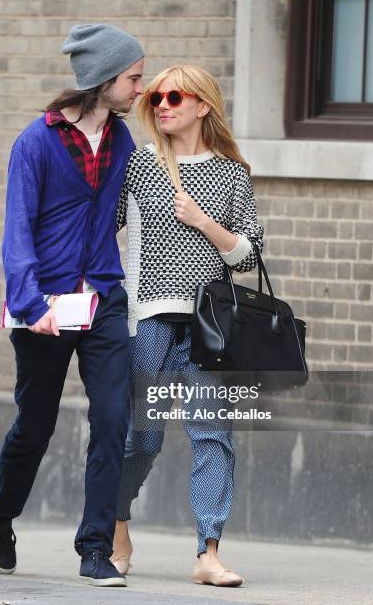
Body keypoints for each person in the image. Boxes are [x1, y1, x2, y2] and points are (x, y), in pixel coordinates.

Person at [0, 24, 144, 587]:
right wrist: (29, 302)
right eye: (133, 78)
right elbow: (17, 230)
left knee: (113, 420)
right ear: (103, 80)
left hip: (102, 297)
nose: (139, 89)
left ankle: (94, 548)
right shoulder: (36, 142)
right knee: (37, 424)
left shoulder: (122, 141)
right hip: (44, 305)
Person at [111, 64, 264, 587]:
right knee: (141, 440)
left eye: (175, 96)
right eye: (155, 97)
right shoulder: (139, 165)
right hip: (149, 320)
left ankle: (208, 552)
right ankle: (117, 522)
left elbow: (249, 255)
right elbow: (104, 232)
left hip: (209, 329)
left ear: (203, 105)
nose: (162, 105)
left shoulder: (231, 173)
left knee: (212, 436)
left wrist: (203, 222)